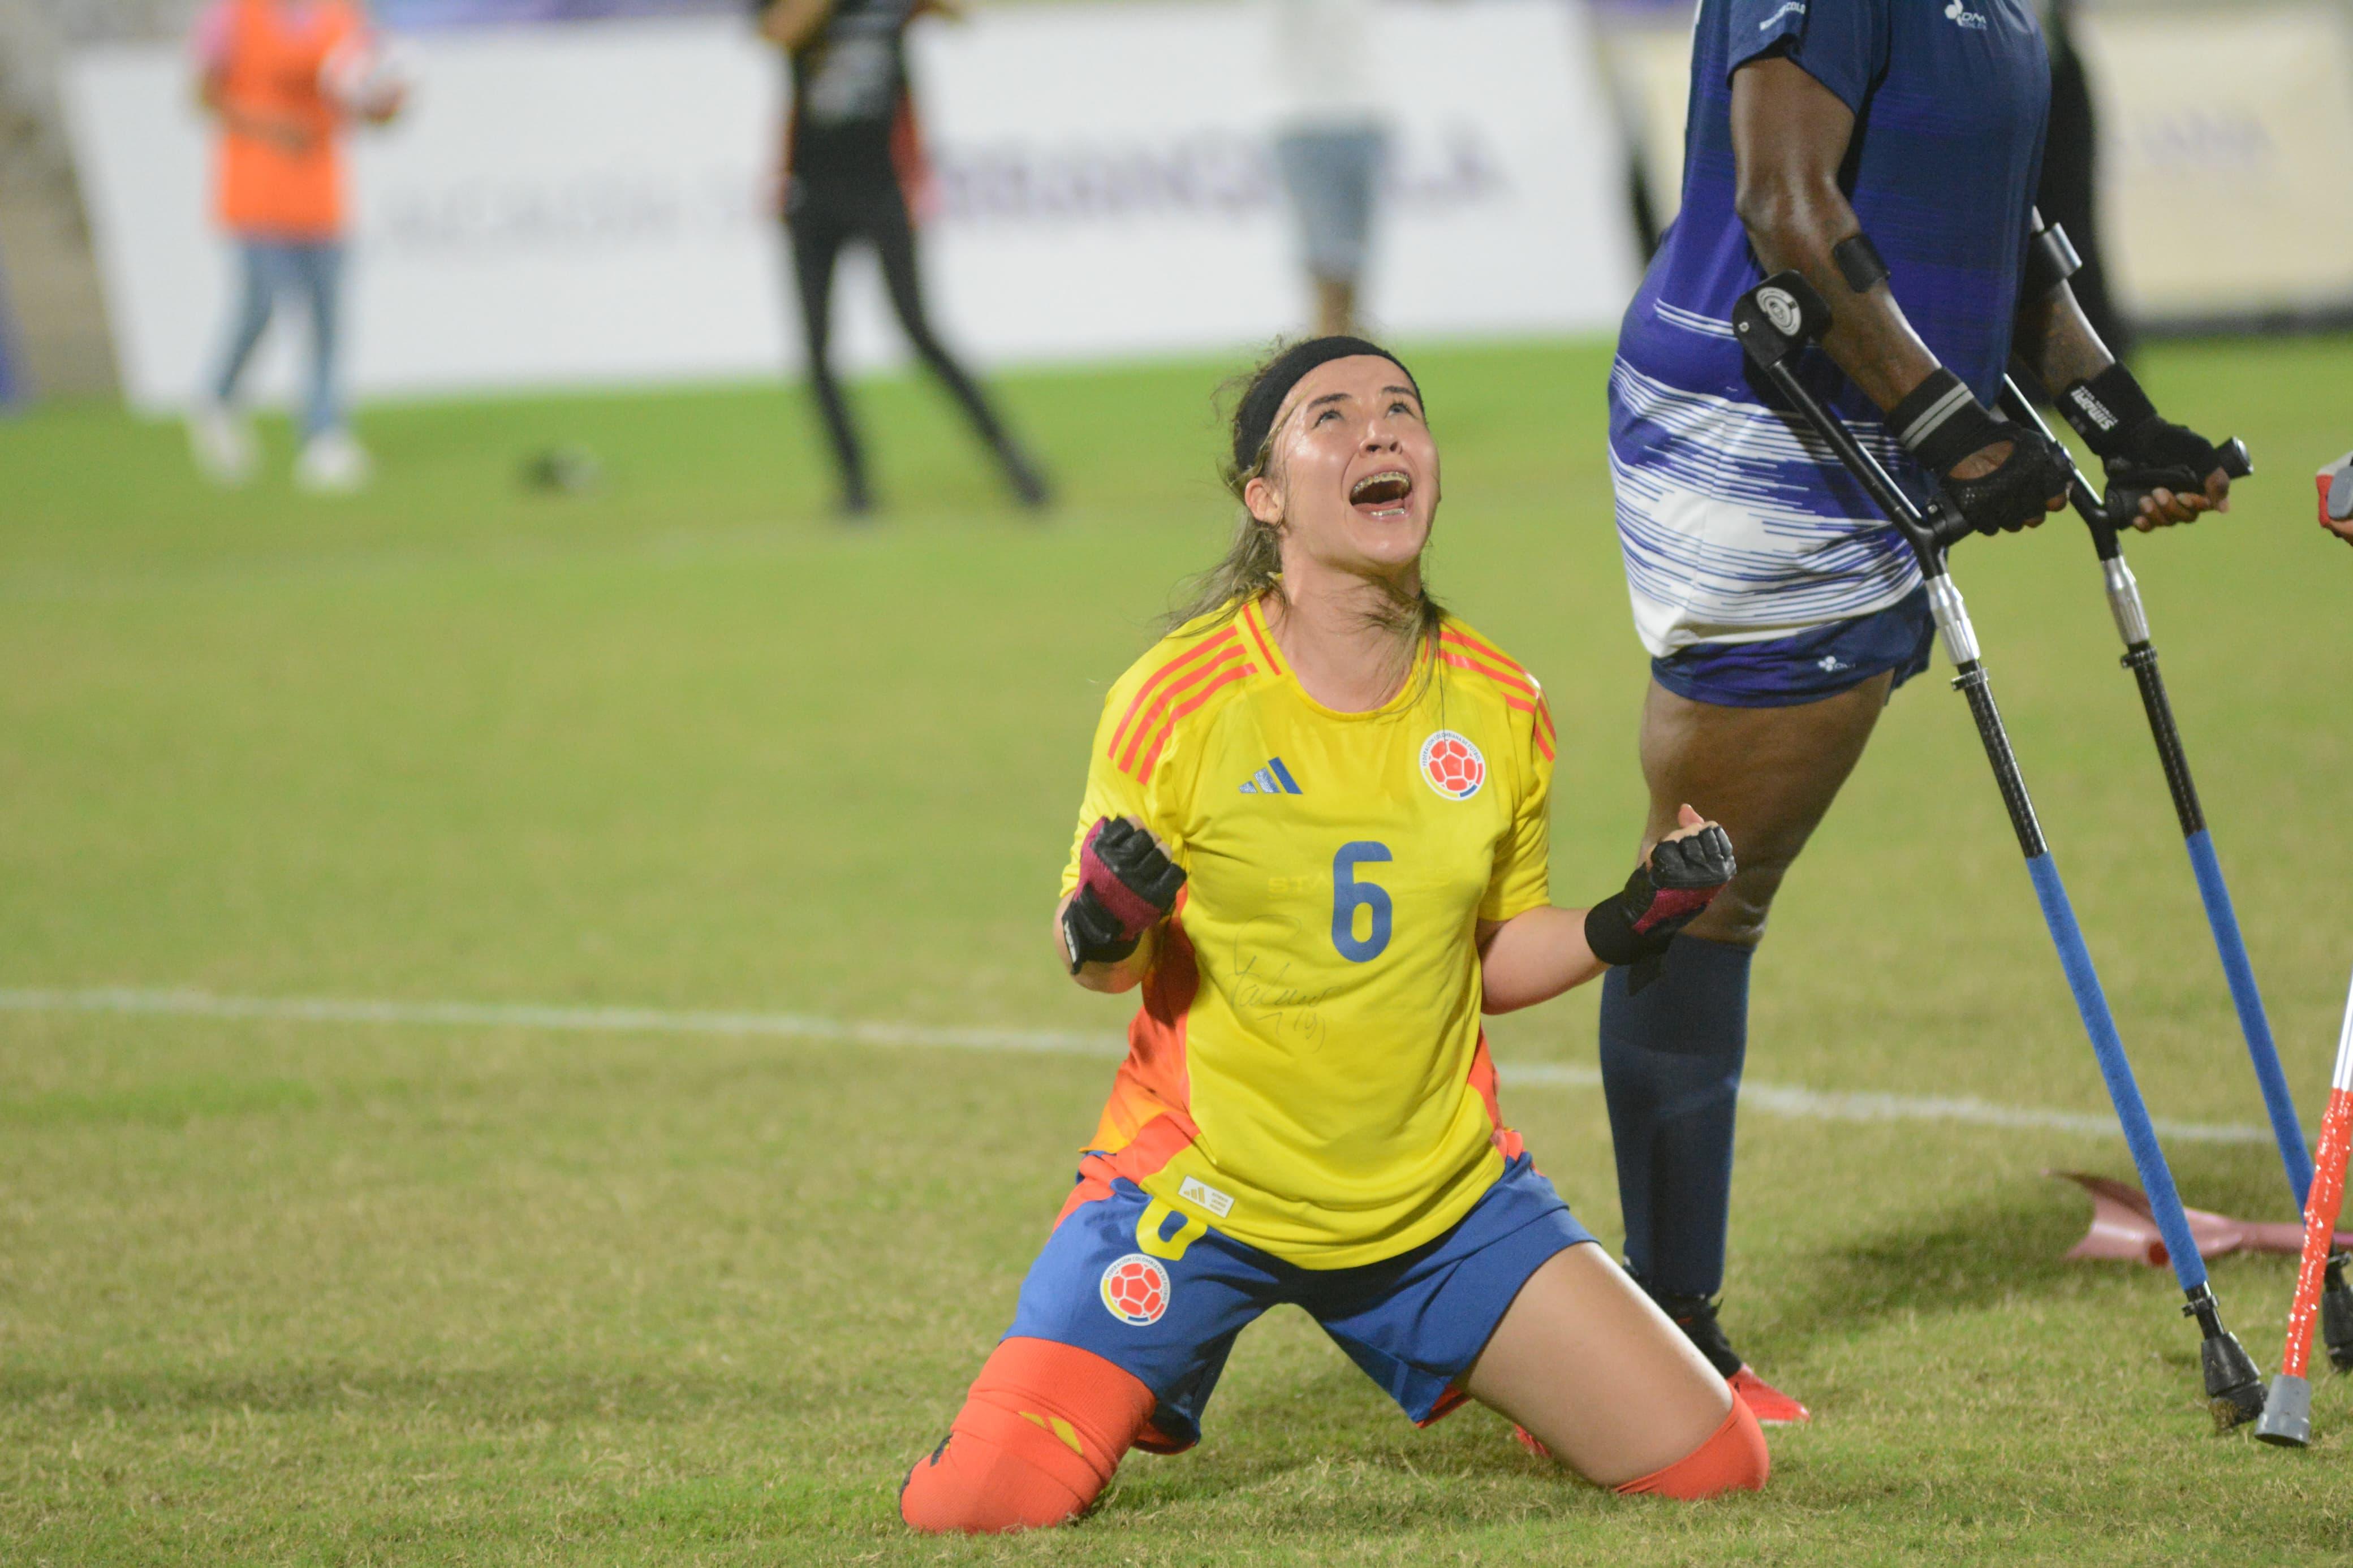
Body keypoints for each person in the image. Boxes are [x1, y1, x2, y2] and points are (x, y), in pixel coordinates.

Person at [898, 338, 1772, 1535]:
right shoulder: (1178, 700)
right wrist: (1110, 919)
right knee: (978, 1508)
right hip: (1196, 1195)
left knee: (1716, 1468)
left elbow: (1493, 954)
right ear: (1266, 498)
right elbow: (1100, 966)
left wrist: (1633, 918)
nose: (1379, 433)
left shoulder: (1498, 700)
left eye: (1402, 411)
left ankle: (1519, 1363)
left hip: (1441, 1204)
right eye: (1332, 417)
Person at [1601, 0, 2240, 1424]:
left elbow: (1995, 235)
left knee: (1716, 877)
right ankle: (1657, 1331)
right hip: (1761, 432)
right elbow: (1783, 201)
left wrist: (2114, 416)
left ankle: (1651, 1315)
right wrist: (1952, 424)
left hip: (1878, 424)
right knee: (1707, 883)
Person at [757, 0, 1050, 519]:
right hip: (813, 194)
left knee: (918, 329)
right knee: (817, 348)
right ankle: (854, 485)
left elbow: (959, 16)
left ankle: (1012, 459)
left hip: (882, 190)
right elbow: (776, 32)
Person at [187, 0, 403, 492]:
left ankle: (324, 436)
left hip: (322, 194)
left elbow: (369, 94)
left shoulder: (345, 15)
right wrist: (269, 126)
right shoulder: (235, 14)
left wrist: (385, 104)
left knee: (327, 318)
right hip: (255, 191)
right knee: (260, 305)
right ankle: (218, 397)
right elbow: (202, 95)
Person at [1270, 0, 1386, 338]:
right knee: (1328, 264)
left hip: (1366, 113)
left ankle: (1351, 360)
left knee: (1354, 266)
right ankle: (1327, 363)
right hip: (1304, 117)